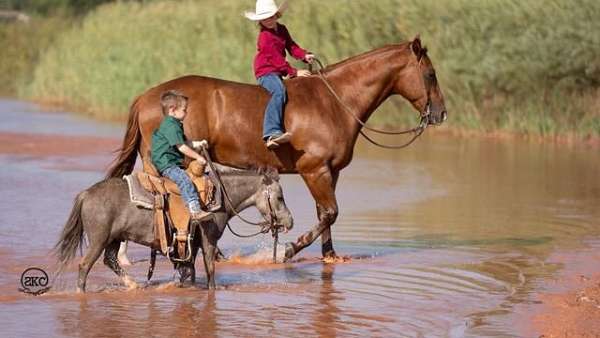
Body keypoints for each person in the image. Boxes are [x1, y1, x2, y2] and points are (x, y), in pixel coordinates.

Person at [244, 0, 314, 149]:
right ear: (260, 21)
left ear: (276, 15)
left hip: (277, 70)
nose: (268, 20)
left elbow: (291, 46)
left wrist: (304, 55)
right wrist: (294, 72)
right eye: (264, 18)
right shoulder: (264, 37)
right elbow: (275, 59)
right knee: (278, 91)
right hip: (266, 71)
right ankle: (271, 133)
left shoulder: (282, 29)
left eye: (270, 16)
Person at [151, 90, 212, 221]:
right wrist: (198, 157)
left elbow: (185, 142)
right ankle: (194, 209)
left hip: (171, 162)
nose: (186, 112)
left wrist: (198, 143)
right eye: (184, 110)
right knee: (184, 179)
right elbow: (182, 147)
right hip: (167, 164)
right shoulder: (170, 125)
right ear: (172, 110)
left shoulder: (174, 124)